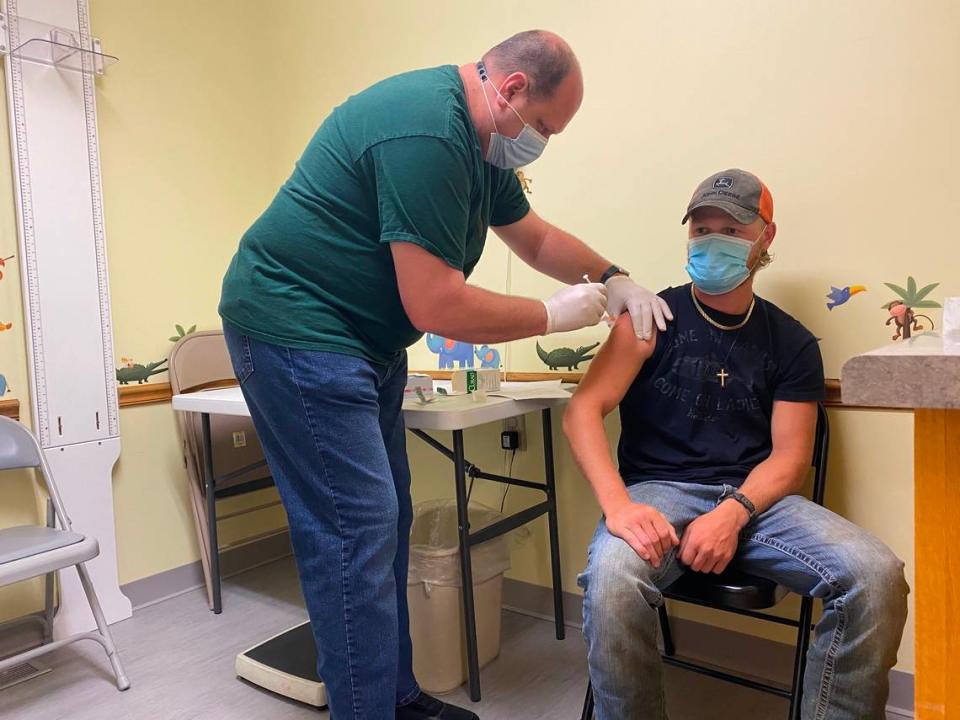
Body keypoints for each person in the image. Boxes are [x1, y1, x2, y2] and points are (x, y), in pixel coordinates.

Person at [218, 30, 671, 720]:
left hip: (364, 342)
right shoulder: (426, 132)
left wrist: (612, 276)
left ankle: (395, 697)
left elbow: (537, 237)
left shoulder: (482, 141)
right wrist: (553, 316)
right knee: (354, 532)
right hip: (295, 329)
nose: (541, 141)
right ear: (513, 89)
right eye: (544, 126)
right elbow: (433, 304)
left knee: (385, 519)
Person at [564, 169, 908, 719]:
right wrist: (619, 506)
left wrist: (733, 512)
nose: (711, 241)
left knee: (876, 575)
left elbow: (791, 458)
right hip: (661, 492)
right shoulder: (653, 319)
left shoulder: (791, 342)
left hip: (759, 501)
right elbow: (583, 409)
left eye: (730, 230)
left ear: (765, 238)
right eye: (702, 230)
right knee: (611, 582)